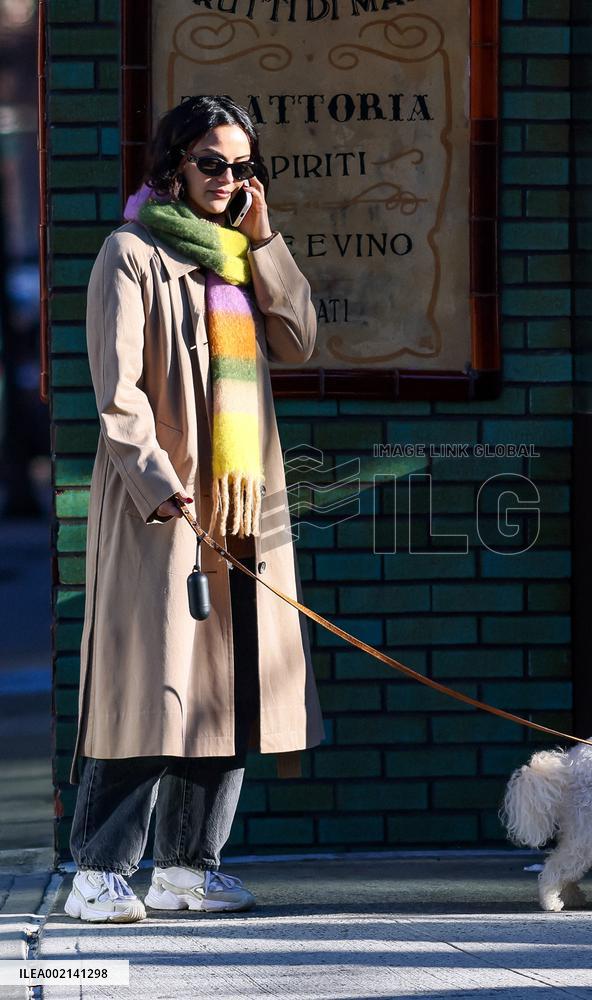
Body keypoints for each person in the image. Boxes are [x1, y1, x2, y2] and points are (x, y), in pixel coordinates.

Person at [64, 95, 324, 923]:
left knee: (229, 682)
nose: (227, 179)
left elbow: (300, 340)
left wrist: (267, 241)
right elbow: (118, 395)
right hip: (165, 508)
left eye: (242, 165)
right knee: (150, 685)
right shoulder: (130, 253)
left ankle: (188, 867)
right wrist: (157, 485)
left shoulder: (241, 258)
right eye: (212, 162)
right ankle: (99, 873)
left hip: (242, 500)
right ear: (174, 161)